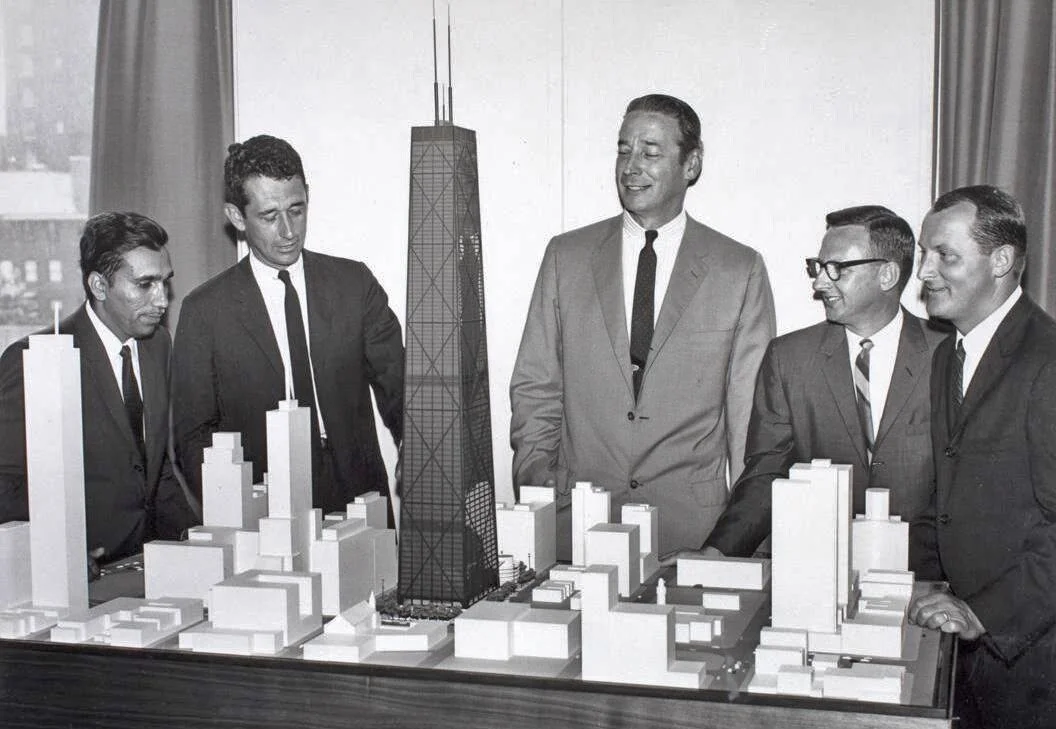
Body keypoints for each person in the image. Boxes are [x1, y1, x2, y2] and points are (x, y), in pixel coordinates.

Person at [510, 93, 775, 558]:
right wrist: (542, 494)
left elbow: (749, 421)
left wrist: (736, 545)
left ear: (691, 165)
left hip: (693, 536)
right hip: (577, 528)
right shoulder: (566, 256)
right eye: (623, 149)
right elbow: (536, 387)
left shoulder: (739, 269)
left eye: (650, 152)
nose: (631, 166)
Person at [172, 135, 404, 516]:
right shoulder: (204, 312)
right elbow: (192, 436)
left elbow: (401, 385)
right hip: (264, 509)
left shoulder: (354, 285)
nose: (288, 231)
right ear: (237, 217)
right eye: (269, 216)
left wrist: (417, 448)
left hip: (359, 498)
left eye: (296, 210)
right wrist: (237, 511)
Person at [700, 206, 946, 563]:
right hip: (820, 571)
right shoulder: (788, 358)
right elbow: (766, 475)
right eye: (818, 267)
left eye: (836, 269)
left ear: (888, 275)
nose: (819, 283)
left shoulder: (947, 353)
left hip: (929, 574)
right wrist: (718, 552)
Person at [907, 185, 1056, 729]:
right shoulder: (948, 356)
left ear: (1001, 261)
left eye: (944, 255)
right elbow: (947, 495)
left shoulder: (1048, 360)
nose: (924, 272)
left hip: (1032, 660)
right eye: (924, 253)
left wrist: (982, 613)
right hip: (967, 654)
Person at [0, 212, 198, 564]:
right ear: (99, 286)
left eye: (164, 282)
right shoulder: (32, 358)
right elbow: (7, 485)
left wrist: (198, 540)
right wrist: (60, 554)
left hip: (146, 561)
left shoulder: (158, 345)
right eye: (145, 284)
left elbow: (154, 466)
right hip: (78, 571)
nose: (162, 300)